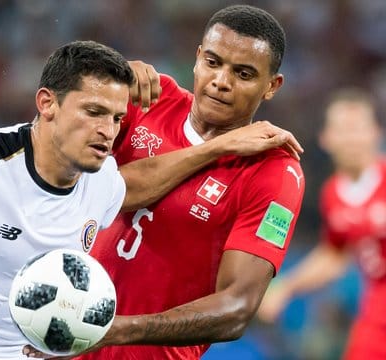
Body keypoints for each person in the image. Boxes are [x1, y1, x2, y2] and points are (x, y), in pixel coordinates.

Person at [0, 40, 300, 360]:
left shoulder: (98, 178)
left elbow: (137, 184)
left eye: (115, 118)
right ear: (47, 104)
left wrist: (216, 147)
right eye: (92, 112)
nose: (109, 131)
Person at [22, 5, 305, 360]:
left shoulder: (275, 172)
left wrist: (110, 329)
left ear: (271, 86)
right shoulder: (150, 101)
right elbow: (54, 163)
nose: (221, 81)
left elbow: (237, 309)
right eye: (213, 62)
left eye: (244, 74)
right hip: (53, 333)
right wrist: (107, 84)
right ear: (198, 57)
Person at [257, 88, 386, 359]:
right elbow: (335, 254)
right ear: (326, 139)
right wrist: (287, 287)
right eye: (343, 129)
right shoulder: (333, 194)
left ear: (376, 132)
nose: (351, 138)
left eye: (358, 128)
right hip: (377, 311)